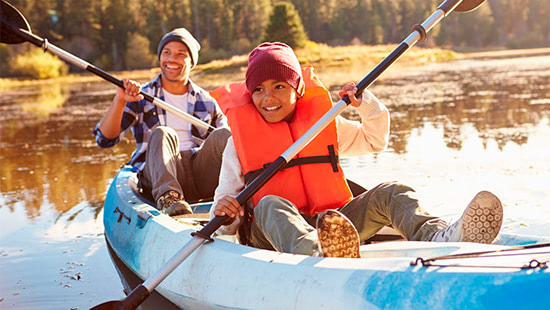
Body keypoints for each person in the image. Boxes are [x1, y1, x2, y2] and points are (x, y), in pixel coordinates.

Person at [208, 42, 503, 258]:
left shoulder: (322, 126)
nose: (268, 97)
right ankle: (318, 254)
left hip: (334, 226)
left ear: (297, 89)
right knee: (271, 203)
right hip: (270, 235)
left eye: (279, 86)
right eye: (258, 89)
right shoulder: (239, 143)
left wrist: (366, 105)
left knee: (393, 191)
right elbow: (224, 214)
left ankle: (439, 237)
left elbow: (374, 139)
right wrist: (226, 212)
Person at [93, 28, 230, 216]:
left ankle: (237, 199)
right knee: (164, 133)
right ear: (160, 58)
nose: (172, 59)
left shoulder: (207, 102)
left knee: (224, 135)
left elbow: (228, 147)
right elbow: (104, 140)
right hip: (156, 176)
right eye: (166, 52)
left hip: (198, 176)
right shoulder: (140, 96)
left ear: (192, 63)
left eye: (181, 54)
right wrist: (120, 100)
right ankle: (169, 199)